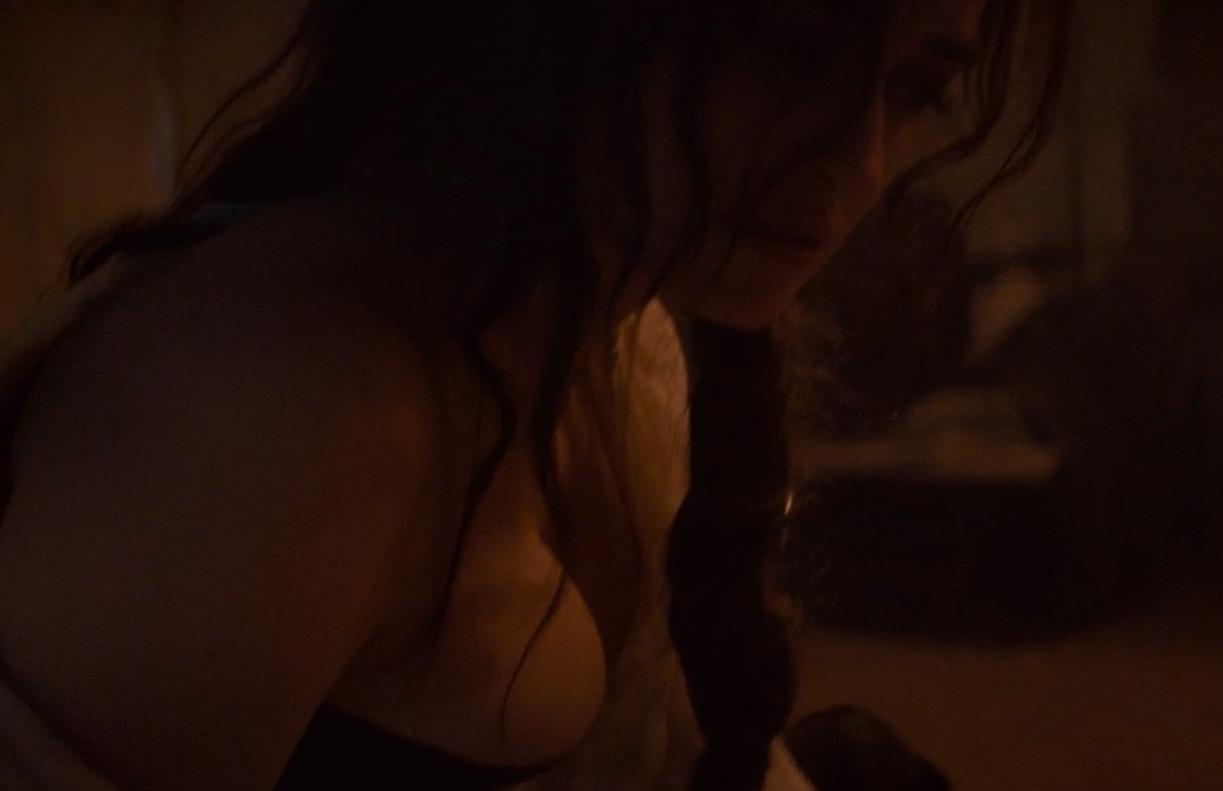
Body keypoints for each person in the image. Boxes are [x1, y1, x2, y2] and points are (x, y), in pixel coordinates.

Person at [0, 1, 1066, 788]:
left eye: (915, 90)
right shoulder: (289, 402)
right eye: (795, 52)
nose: (863, 159)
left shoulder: (633, 345)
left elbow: (666, 740)